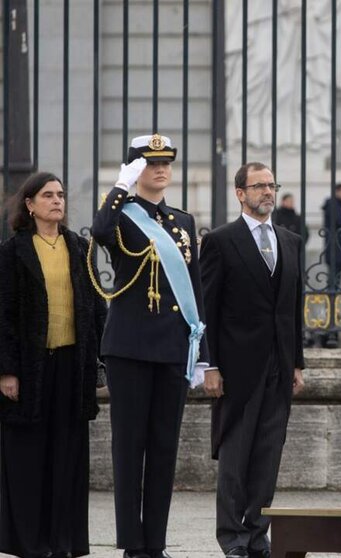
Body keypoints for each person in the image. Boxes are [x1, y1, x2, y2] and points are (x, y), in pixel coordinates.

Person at [91, 134, 209, 558]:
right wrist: (120, 187)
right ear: (136, 169)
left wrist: (203, 353)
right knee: (129, 447)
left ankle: (155, 544)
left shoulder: (182, 221)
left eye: (165, 163)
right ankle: (131, 544)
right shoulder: (120, 215)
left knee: (163, 448)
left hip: (172, 348)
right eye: (150, 163)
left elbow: (194, 290)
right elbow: (100, 231)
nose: (160, 169)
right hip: (128, 347)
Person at [199, 162, 306, 558]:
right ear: (240, 193)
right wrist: (208, 364)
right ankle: (232, 537)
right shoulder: (221, 242)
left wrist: (296, 363)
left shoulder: (290, 240)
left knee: (267, 456)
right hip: (236, 369)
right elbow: (206, 307)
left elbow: (293, 308)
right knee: (235, 457)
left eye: (271, 185)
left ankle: (258, 534)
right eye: (258, 186)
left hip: (278, 368)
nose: (267, 192)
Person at [0, 172, 107, 558]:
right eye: (48, 195)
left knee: (67, 456)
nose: (57, 201)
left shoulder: (78, 247)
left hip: (71, 365)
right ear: (30, 204)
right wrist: (6, 370)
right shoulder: (13, 252)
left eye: (61, 194)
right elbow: (4, 313)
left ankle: (64, 542)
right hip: (29, 370)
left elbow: (97, 306)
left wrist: (101, 358)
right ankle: (30, 543)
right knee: (29, 456)